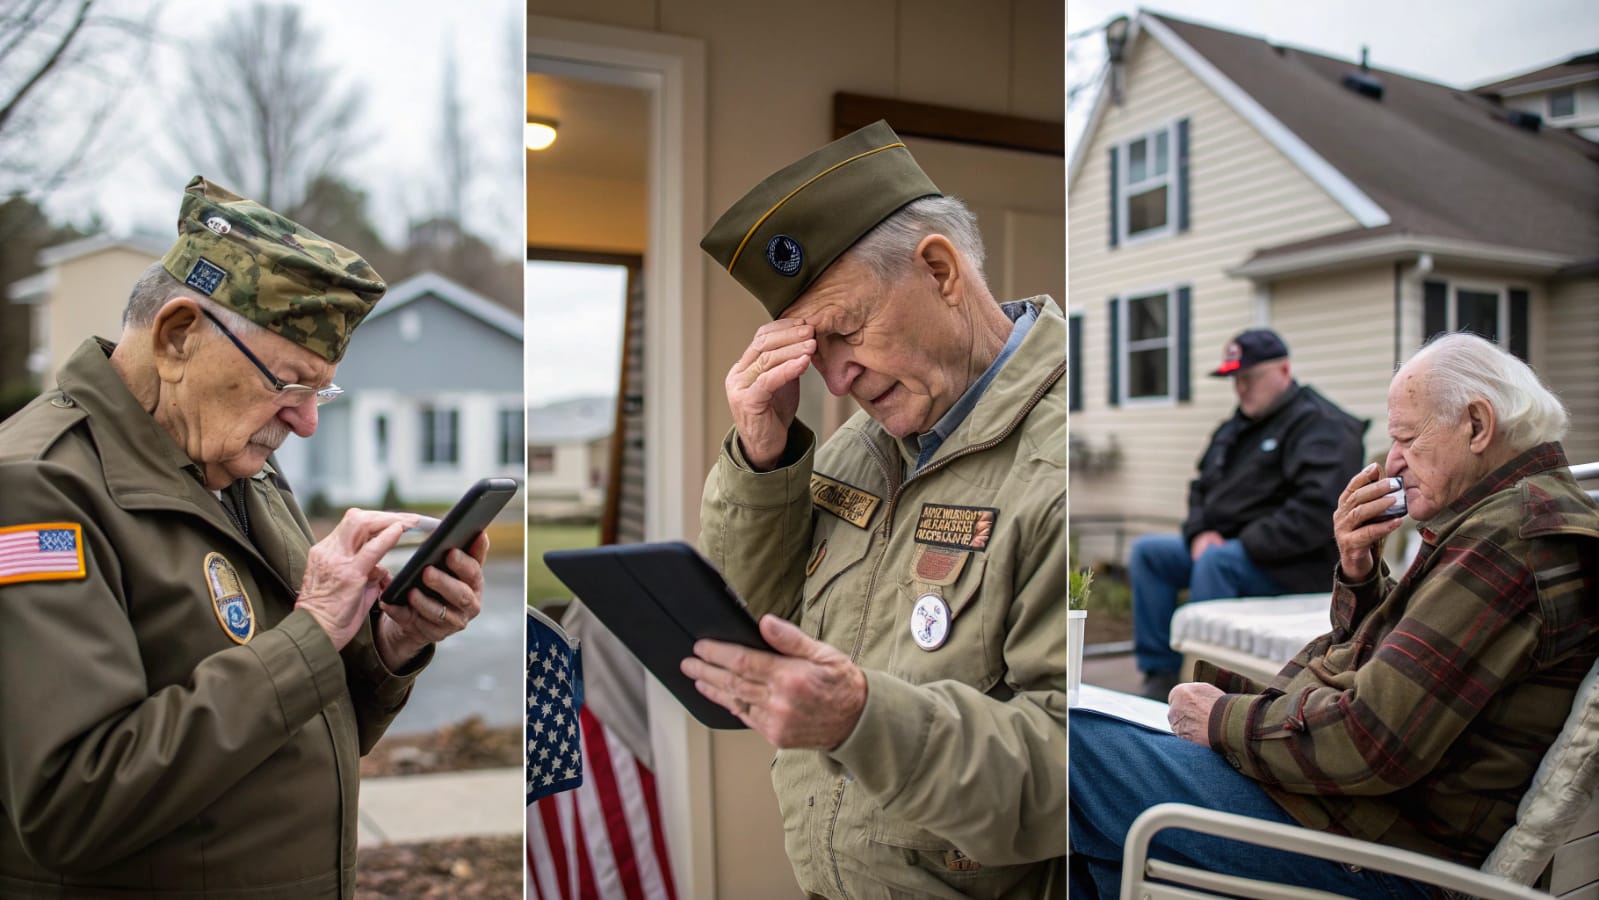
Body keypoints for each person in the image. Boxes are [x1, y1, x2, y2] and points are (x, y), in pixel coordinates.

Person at [0, 177, 487, 898]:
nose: (306, 423)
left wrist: (390, 645)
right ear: (177, 336)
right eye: (288, 383)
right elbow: (74, 803)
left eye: (320, 392)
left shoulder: (238, 468)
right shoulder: (36, 487)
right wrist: (312, 631)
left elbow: (307, 727)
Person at [676, 120, 1067, 899]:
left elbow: (1074, 767)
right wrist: (762, 458)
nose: (835, 381)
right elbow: (755, 630)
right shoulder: (860, 446)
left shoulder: (1059, 465)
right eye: (811, 351)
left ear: (940, 270)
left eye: (846, 332)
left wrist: (863, 720)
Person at [1070, 331, 1599, 900]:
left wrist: (1220, 719)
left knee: (1064, 744)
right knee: (1091, 846)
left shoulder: (1508, 543)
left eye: (1407, 438)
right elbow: (1404, 673)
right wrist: (1359, 571)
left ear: (1476, 425)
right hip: (1346, 815)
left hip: (1368, 850)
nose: (1392, 461)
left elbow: (1371, 740)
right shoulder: (1502, 519)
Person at [1131, 328, 1366, 699]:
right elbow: (1201, 487)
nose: (1241, 388)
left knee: (1216, 562)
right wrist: (1199, 533)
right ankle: (1159, 677)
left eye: (1250, 377)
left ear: (1284, 370)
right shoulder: (1235, 427)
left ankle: (1205, 691)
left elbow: (1316, 513)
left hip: (1293, 564)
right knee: (1149, 553)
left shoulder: (1322, 426)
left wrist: (1238, 544)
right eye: (1235, 379)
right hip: (1229, 549)